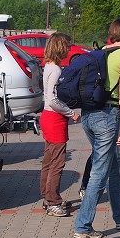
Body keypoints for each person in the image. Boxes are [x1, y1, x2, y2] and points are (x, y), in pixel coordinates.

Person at [73, 17, 120, 238]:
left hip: (88, 116)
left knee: (109, 168)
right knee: (99, 174)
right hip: (108, 117)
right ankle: (83, 225)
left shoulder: (99, 53)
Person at [39, 32, 79, 217]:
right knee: (58, 162)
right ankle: (53, 200)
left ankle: (47, 196)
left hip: (47, 116)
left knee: (49, 161)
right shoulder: (55, 70)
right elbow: (53, 99)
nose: (70, 49)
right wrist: (71, 113)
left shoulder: (48, 66)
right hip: (54, 119)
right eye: (67, 46)